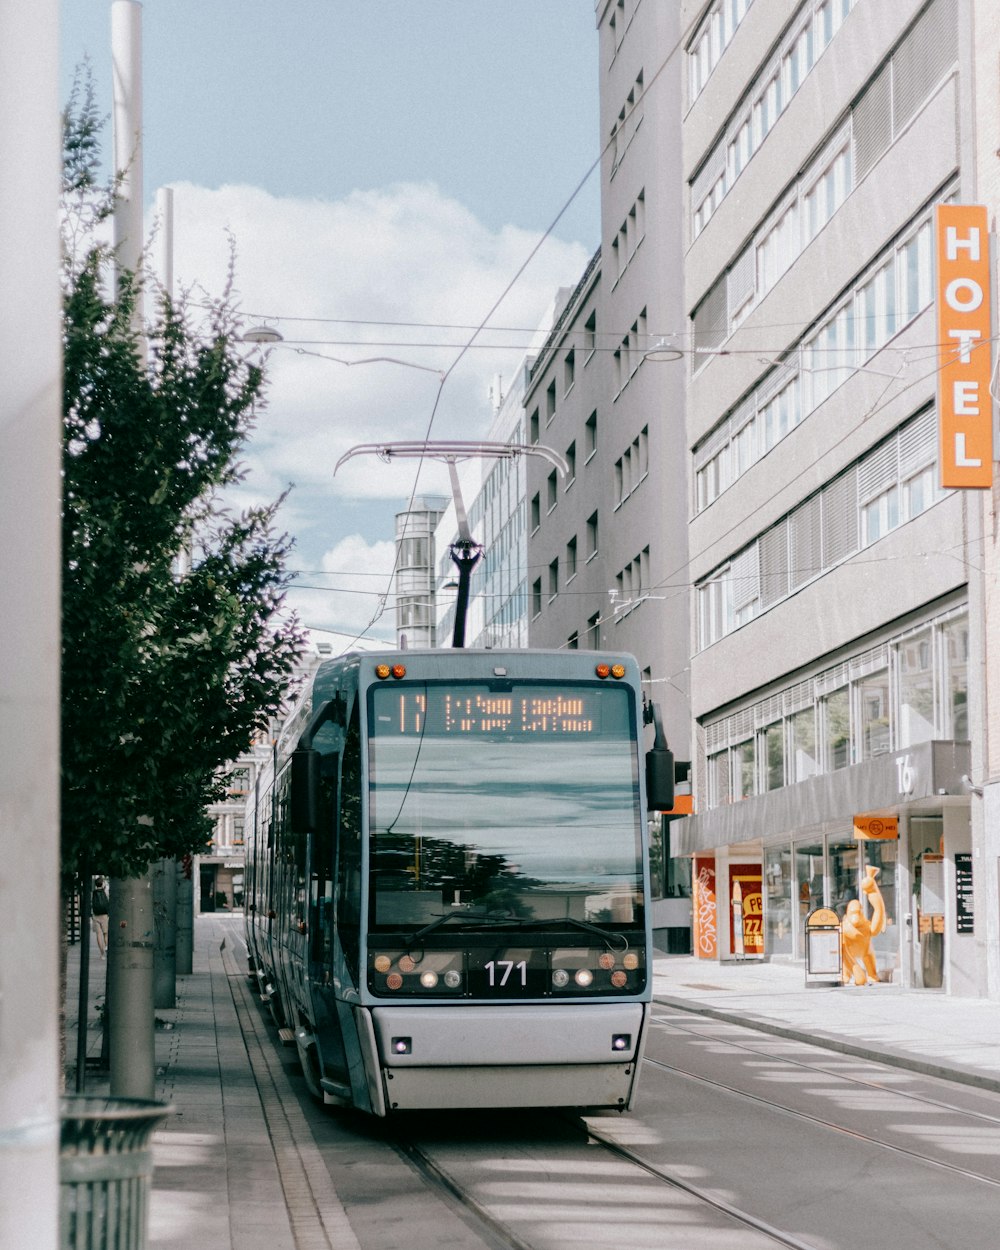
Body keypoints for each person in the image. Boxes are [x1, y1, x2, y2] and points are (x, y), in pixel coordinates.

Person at [91, 877, 110, 957]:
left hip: (96, 915)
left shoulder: (93, 893)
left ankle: (102, 954)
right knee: (105, 933)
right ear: (102, 884)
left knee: (99, 934)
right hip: (105, 915)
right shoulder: (105, 892)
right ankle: (106, 947)